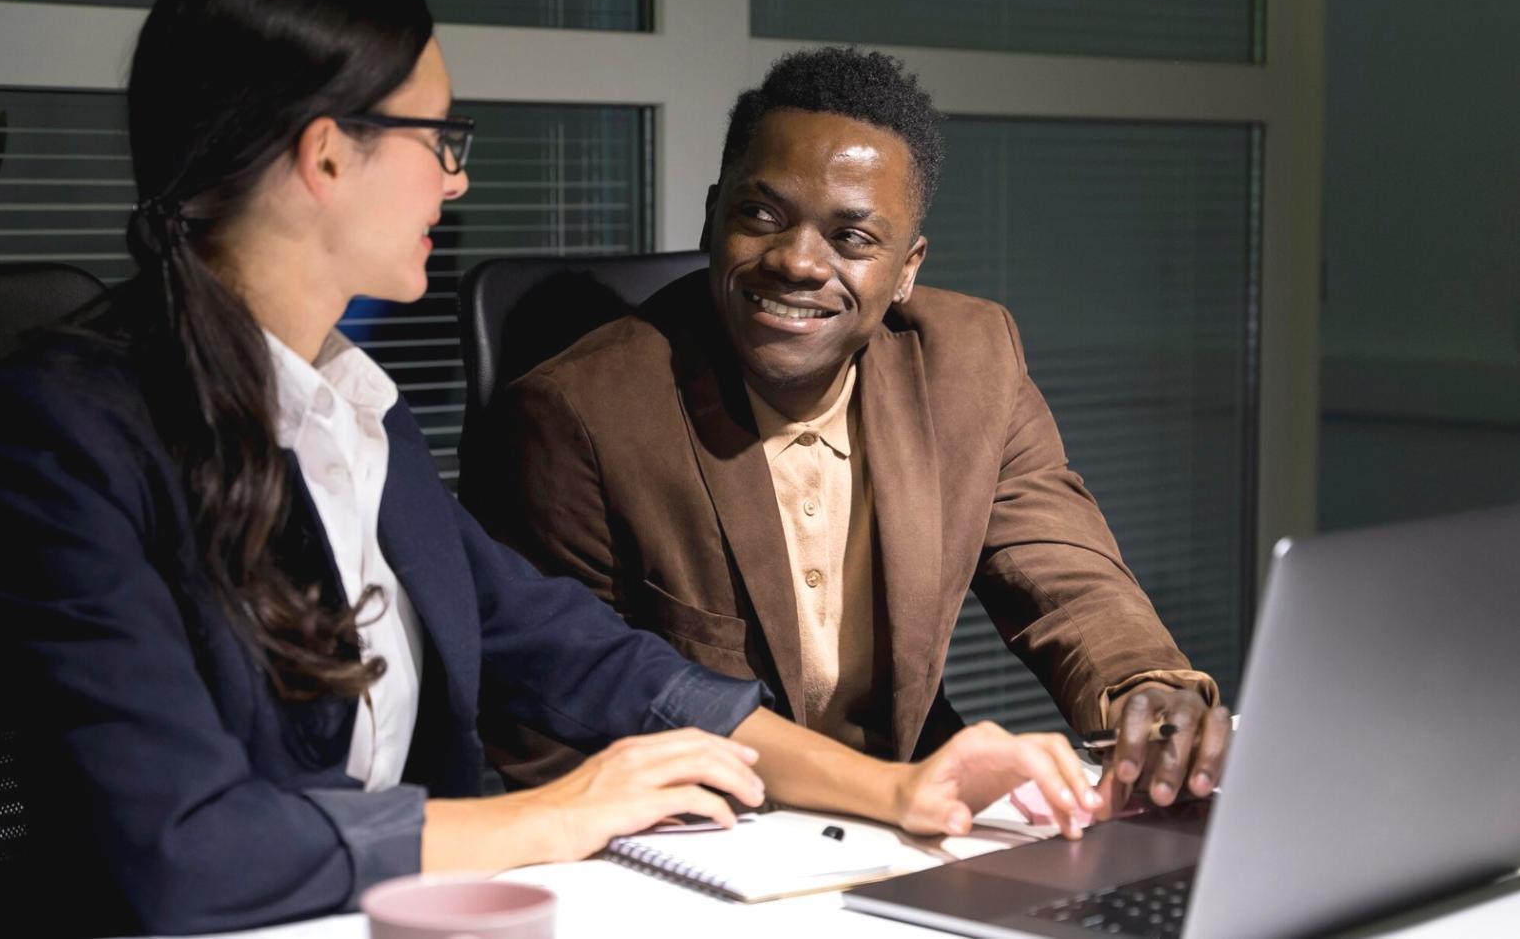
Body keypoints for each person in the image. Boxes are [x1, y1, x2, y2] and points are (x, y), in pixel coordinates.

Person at [0, 0, 1100, 937]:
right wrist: (551, 816)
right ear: (328, 156)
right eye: (438, 138)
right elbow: (182, 853)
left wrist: (899, 792)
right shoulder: (71, 426)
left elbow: (581, 653)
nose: (457, 178)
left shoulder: (352, 404)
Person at [472, 47, 1233, 811]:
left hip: (917, 814)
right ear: (712, 216)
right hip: (707, 837)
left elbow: (1065, 579)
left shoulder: (970, 363)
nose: (798, 262)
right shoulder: (580, 414)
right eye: (760, 217)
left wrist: (1145, 689)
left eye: (852, 238)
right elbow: (554, 708)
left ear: (906, 269)